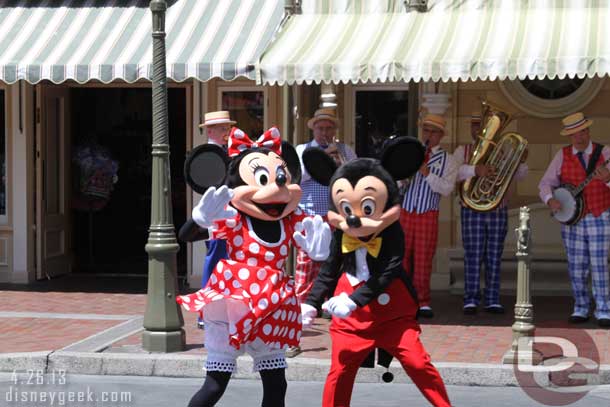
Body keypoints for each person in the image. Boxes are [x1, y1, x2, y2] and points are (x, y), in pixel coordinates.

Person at [290, 108, 356, 356]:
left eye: (329, 128)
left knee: (336, 264)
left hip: (336, 216)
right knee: (306, 267)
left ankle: (330, 307)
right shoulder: (301, 150)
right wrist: (320, 159)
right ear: (313, 129)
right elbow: (295, 178)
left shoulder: (345, 150)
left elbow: (355, 178)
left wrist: (338, 161)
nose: (325, 132)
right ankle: (299, 313)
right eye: (321, 128)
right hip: (310, 216)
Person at [539, 112, 610, 328]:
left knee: (600, 265)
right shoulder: (562, 155)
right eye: (573, 135)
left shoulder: (605, 153)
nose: (578, 138)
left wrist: (607, 179)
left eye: (581, 132)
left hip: (600, 215)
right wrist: (551, 200)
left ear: (587, 131)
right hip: (573, 220)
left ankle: (604, 310)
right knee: (577, 266)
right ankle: (580, 307)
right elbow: (545, 184)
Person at [454, 112, 528, 315]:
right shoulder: (463, 150)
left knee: (495, 255)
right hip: (471, 209)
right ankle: (470, 297)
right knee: (473, 254)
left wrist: (519, 160)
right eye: (475, 125)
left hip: (497, 207)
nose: (479, 129)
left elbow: (522, 175)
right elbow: (454, 172)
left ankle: (492, 298)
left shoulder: (504, 149)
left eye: (483, 125)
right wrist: (476, 170)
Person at [400, 114, 458, 318]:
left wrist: (427, 174)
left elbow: (447, 189)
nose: (429, 135)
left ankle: (422, 301)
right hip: (406, 211)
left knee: (424, 258)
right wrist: (405, 175)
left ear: (441, 136)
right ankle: (403, 299)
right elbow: (398, 182)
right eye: (426, 130)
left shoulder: (448, 160)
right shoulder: (411, 152)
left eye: (433, 132)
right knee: (402, 256)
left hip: (427, 213)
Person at [197, 111, 234, 329]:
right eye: (221, 128)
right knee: (215, 260)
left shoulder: (226, 152)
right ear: (210, 130)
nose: (225, 132)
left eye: (226, 128)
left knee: (226, 261)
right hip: (216, 215)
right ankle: (205, 312)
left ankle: (221, 310)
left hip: (228, 213)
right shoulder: (208, 154)